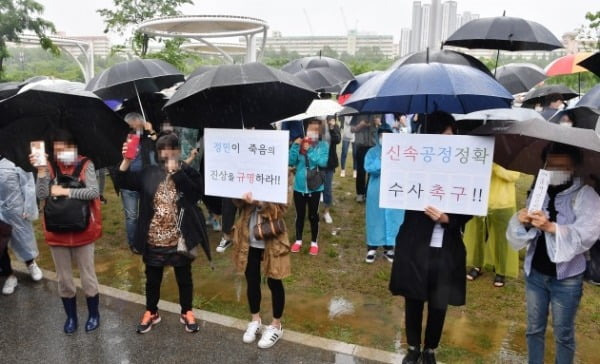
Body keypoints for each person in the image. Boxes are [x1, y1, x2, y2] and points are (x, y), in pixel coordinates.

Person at [389, 112, 472, 364]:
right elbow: (397, 190)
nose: (449, 141)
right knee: (413, 297)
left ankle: (430, 349)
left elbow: (470, 205)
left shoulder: (463, 169)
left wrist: (450, 219)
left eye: (452, 136)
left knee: (439, 300)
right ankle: (413, 346)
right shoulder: (414, 164)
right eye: (443, 135)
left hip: (445, 246)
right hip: (416, 242)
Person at [507, 143, 600, 364]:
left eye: (563, 166)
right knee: (533, 329)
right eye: (551, 165)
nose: (556, 170)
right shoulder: (539, 190)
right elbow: (525, 230)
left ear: (574, 167)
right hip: (535, 273)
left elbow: (587, 234)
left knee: (563, 334)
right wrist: (525, 222)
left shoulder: (585, 194)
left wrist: (551, 227)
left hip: (566, 278)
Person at [117, 132, 210, 334]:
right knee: (152, 279)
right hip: (153, 238)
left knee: (184, 278)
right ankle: (151, 312)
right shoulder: (149, 172)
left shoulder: (187, 171)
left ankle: (187, 311)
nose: (167, 153)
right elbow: (123, 182)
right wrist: (126, 161)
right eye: (162, 149)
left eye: (171, 149)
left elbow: (195, 195)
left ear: (177, 150)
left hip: (179, 240)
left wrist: (178, 173)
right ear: (158, 152)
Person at [32, 129, 102, 334]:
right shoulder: (50, 166)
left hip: (84, 230)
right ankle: (71, 317)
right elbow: (42, 194)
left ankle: (94, 314)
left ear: (73, 147)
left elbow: (94, 192)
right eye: (56, 148)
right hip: (57, 232)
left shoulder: (86, 164)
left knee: (88, 277)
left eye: (65, 147)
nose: (60, 152)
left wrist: (66, 191)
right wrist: (41, 170)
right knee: (63, 279)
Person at [231, 191, 290, 349]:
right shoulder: (248, 169)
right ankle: (255, 319)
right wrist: (239, 197)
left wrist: (260, 203)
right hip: (249, 237)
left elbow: (282, 208)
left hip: (272, 238)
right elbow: (237, 203)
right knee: (252, 279)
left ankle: (276, 325)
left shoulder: (281, 174)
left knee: (275, 280)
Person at [464, 163, 521, 287]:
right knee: (478, 235)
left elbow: (513, 176)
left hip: (503, 203)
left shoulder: (509, 156)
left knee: (502, 239)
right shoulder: (483, 152)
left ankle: (501, 271)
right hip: (480, 200)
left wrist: (494, 166)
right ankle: (476, 265)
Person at [0, 154, 43, 295]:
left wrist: (28, 207)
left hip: (16, 209)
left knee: (24, 238)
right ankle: (9, 275)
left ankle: (31, 263)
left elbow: (28, 185)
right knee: (1, 246)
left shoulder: (15, 160)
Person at [364, 125, 405, 263]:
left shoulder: (398, 152)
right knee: (375, 217)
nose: (384, 139)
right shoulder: (372, 152)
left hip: (393, 188)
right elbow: (370, 168)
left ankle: (389, 248)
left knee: (392, 217)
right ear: (378, 137)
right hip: (376, 189)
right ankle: (372, 247)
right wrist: (382, 157)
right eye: (382, 136)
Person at [289, 119, 329, 255]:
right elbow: (291, 161)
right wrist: (295, 146)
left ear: (320, 132)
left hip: (315, 186)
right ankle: (298, 240)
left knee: (313, 215)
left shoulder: (323, 146)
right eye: (310, 129)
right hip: (299, 186)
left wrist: (310, 150)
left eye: (316, 130)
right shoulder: (300, 143)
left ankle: (314, 242)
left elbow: (323, 162)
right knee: (299, 215)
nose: (312, 132)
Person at [119, 112, 158, 251]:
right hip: (128, 183)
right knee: (131, 216)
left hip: (145, 182)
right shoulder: (122, 139)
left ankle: (144, 239)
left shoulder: (147, 138)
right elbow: (118, 167)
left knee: (146, 212)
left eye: (138, 127)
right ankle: (133, 243)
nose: (136, 131)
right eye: (132, 128)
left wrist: (151, 130)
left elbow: (158, 146)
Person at [351, 114, 380, 202]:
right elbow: (352, 129)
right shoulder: (357, 113)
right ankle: (360, 193)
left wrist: (378, 124)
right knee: (361, 171)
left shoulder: (379, 113)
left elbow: (385, 129)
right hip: (361, 146)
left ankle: (369, 193)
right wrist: (360, 125)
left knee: (373, 171)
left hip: (373, 146)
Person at [322, 115, 341, 224]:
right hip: (317, 161)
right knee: (315, 187)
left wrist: (332, 128)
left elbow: (337, 140)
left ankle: (326, 212)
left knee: (327, 188)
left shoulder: (335, 127)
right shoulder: (317, 126)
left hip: (329, 163)